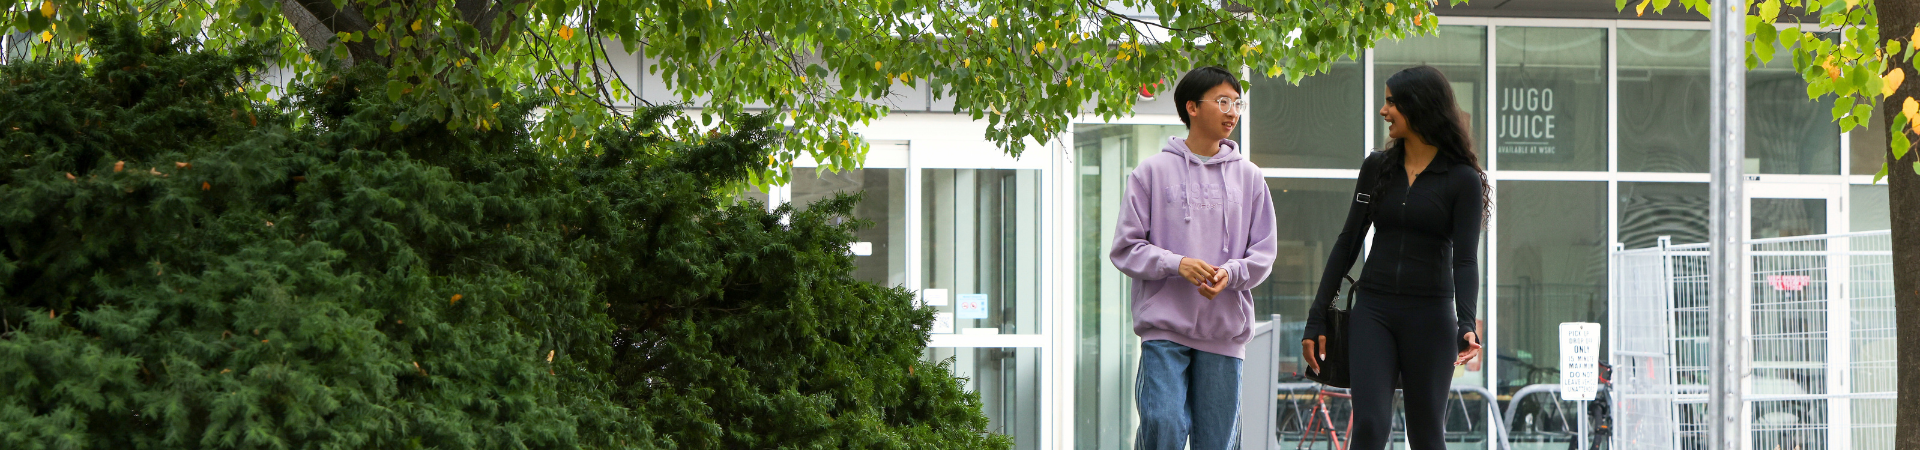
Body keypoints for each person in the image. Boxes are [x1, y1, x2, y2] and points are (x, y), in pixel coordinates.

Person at [1300, 65, 1489, 450]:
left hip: (1431, 316)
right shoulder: (1377, 167)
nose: (1384, 112)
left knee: (1426, 435)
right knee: (1370, 426)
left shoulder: (1462, 179)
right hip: (1375, 311)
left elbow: (1465, 260)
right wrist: (1317, 315)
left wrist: (1466, 322)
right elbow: (1348, 241)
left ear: (1418, 106)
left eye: (1391, 103)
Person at [1109, 66, 1278, 450]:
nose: (1232, 111)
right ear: (1192, 107)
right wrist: (1177, 263)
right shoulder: (1151, 172)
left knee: (1217, 443)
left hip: (1223, 332)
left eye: (1237, 103)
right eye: (1222, 101)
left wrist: (1232, 274)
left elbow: (1264, 253)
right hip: (1165, 329)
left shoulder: (1250, 178)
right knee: (1163, 424)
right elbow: (1125, 247)